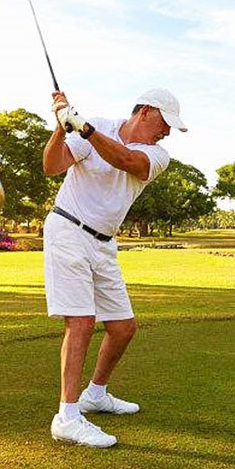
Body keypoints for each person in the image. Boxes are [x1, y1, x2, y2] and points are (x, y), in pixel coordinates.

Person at [42, 88, 187, 447]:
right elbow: (51, 166)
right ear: (146, 111)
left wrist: (83, 128)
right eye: (165, 123)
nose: (167, 132)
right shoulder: (98, 126)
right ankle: (67, 417)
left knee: (123, 327)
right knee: (80, 321)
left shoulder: (157, 155)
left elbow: (126, 161)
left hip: (104, 242)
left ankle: (95, 394)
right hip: (67, 228)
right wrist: (61, 125)